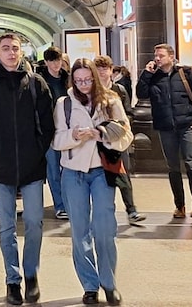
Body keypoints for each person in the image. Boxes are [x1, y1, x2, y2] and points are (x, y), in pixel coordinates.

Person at [0, 34, 54, 306]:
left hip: (32, 167)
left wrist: (37, 149)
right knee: (6, 227)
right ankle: (12, 280)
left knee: (34, 223)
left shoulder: (36, 84)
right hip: (1, 166)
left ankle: (31, 274)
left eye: (15, 48)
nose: (10, 53)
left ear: (22, 52)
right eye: (5, 48)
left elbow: (47, 125)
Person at [55, 58, 131, 306]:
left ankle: (109, 282)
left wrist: (101, 134)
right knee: (80, 230)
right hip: (73, 172)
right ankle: (89, 284)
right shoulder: (64, 104)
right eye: (79, 81)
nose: (84, 84)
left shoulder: (110, 100)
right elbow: (56, 140)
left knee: (104, 229)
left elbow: (125, 134)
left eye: (88, 80)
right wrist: (75, 136)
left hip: (101, 170)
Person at [137, 43, 192, 221]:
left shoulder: (186, 73)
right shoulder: (154, 77)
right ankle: (179, 205)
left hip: (187, 125)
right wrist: (146, 74)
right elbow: (141, 93)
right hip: (166, 128)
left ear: (171, 57)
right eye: (156, 55)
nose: (157, 59)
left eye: (161, 55)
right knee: (173, 167)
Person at [94, 55, 145, 223]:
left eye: (105, 69)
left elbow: (128, 112)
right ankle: (108, 210)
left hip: (117, 139)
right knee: (103, 177)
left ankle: (131, 209)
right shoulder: (91, 90)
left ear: (111, 71)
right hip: (98, 141)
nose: (102, 72)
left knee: (123, 173)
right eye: (99, 69)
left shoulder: (119, 90)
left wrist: (121, 128)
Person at [38, 46, 70, 219]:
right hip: (49, 128)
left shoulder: (67, 79)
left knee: (69, 167)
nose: (56, 64)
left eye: (58, 60)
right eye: (52, 60)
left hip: (68, 128)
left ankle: (69, 201)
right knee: (53, 169)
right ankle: (60, 204)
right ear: (46, 62)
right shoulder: (40, 80)